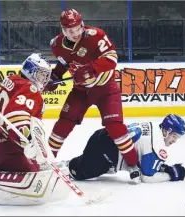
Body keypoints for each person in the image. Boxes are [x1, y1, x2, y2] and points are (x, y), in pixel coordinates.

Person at [0, 53, 70, 206]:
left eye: (46, 75)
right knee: (35, 175)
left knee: (39, 167)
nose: (44, 79)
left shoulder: (11, 81)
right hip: (7, 146)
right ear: (31, 71)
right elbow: (17, 116)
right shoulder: (30, 89)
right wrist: (28, 140)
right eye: (42, 74)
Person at [44, 8, 140, 180]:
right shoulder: (57, 44)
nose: (74, 33)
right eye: (68, 30)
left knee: (115, 127)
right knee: (62, 124)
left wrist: (90, 69)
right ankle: (45, 162)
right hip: (81, 91)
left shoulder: (96, 35)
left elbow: (112, 59)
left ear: (82, 25)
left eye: (76, 28)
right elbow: (63, 64)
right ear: (62, 30)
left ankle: (133, 163)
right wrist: (54, 78)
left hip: (106, 89)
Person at [68, 114, 185, 183]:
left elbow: (141, 154)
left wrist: (162, 167)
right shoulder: (158, 146)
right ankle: (70, 168)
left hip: (101, 136)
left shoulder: (154, 125)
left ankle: (79, 161)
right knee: (77, 172)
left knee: (104, 168)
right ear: (167, 131)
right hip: (104, 155)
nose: (174, 141)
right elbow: (146, 177)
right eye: (174, 136)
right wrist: (170, 175)